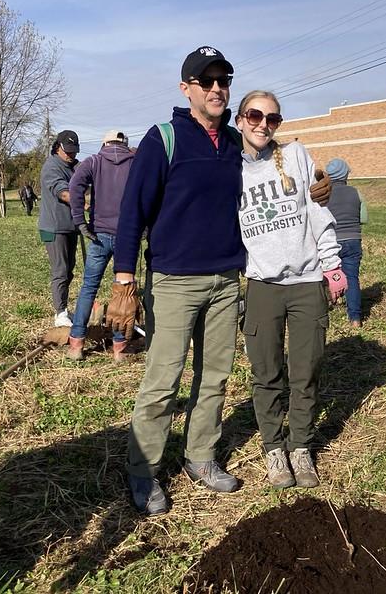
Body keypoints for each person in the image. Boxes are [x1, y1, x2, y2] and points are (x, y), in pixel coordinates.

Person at [108, 46, 332, 516]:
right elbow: (132, 215)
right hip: (174, 281)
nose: (216, 88)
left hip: (227, 280)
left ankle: (200, 456)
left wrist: (320, 181)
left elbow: (281, 159)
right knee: (163, 380)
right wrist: (124, 283)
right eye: (205, 80)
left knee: (214, 377)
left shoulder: (234, 143)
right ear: (186, 87)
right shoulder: (163, 139)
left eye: (223, 80)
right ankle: (143, 470)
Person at [236, 90, 346, 489]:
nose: (263, 124)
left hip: (306, 284)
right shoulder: (229, 171)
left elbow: (319, 212)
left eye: (272, 118)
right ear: (239, 119)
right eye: (254, 115)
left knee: (306, 371)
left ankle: (300, 446)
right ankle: (273, 449)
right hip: (262, 285)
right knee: (266, 373)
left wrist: (333, 267)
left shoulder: (297, 156)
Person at [67, 130, 136, 361]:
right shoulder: (135, 162)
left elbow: (75, 185)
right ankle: (119, 347)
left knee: (89, 287)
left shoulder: (94, 161)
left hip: (99, 233)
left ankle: (76, 344)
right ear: (124, 144)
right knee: (123, 291)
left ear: (104, 143)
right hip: (127, 236)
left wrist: (80, 221)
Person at [38, 130, 80, 328]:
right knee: (60, 270)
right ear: (57, 147)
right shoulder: (51, 167)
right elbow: (63, 193)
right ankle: (60, 312)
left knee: (69, 269)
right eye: (68, 151)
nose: (71, 155)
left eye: (74, 151)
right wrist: (83, 204)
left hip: (69, 226)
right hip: (53, 228)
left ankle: (63, 307)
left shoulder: (73, 166)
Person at [325, 157, 367, 327]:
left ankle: (328, 305)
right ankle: (355, 319)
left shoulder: (323, 194)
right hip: (353, 240)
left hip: (331, 241)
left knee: (328, 275)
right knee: (352, 278)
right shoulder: (356, 192)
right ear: (344, 175)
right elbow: (363, 218)